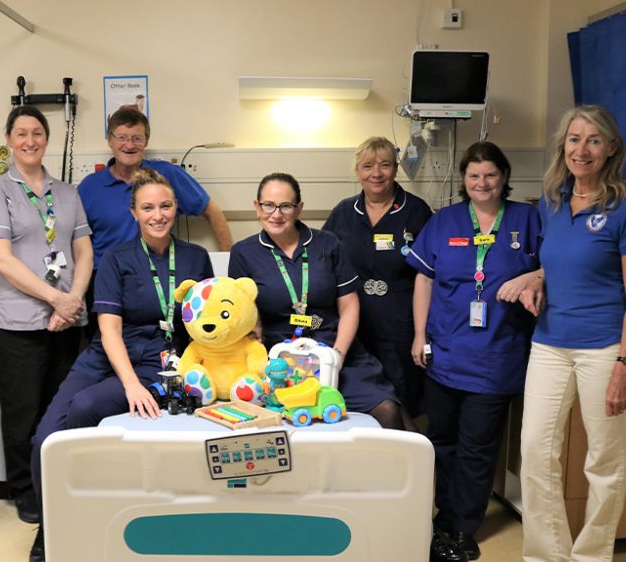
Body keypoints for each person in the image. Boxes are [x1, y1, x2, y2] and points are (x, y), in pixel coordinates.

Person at [27, 169, 214, 561]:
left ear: (176, 207)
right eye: (148, 208)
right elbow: (108, 329)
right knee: (45, 440)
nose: (157, 215)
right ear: (134, 213)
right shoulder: (116, 259)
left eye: (165, 206)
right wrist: (130, 385)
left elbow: (208, 325)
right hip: (106, 357)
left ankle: (88, 511)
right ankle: (52, 525)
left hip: (161, 363)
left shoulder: (197, 258)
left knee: (86, 408)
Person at [519, 105, 626, 562]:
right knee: (535, 454)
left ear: (611, 148)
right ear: (564, 146)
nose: (582, 149)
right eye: (574, 139)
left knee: (605, 463)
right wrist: (536, 279)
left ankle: (591, 557)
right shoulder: (552, 202)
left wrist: (625, 365)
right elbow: (562, 263)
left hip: (605, 349)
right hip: (550, 344)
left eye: (594, 140)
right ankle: (546, 555)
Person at [406, 142, 541, 562]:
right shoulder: (444, 221)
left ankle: (462, 527)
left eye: (490, 175)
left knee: (477, 447)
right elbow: (424, 281)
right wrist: (418, 335)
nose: (482, 183)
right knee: (442, 440)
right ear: (464, 181)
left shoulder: (527, 219)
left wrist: (532, 276)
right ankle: (441, 518)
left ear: (504, 177)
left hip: (498, 355)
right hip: (445, 350)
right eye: (474, 176)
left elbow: (558, 264)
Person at [0, 105, 92, 526]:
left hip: (66, 321)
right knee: (22, 411)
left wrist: (73, 299)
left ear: (47, 139)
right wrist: (55, 299)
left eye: (37, 133)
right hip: (19, 323)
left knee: (60, 407)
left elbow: (84, 250)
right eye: (21, 133)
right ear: (9, 140)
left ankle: (57, 483)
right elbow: (1, 260)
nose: (30, 141)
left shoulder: (67, 193)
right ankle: (24, 490)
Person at [228, 172, 404, 429]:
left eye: (286, 206)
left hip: (332, 346)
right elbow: (245, 316)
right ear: (257, 207)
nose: (276, 214)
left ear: (299, 208)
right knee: (287, 421)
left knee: (386, 408)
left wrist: (339, 355)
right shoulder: (244, 253)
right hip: (279, 357)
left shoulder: (327, 244)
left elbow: (350, 305)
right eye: (268, 205)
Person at [78, 107, 231, 335]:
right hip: (106, 284)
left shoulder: (166, 176)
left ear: (146, 141)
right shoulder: (90, 187)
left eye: (137, 138)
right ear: (109, 140)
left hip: (162, 275)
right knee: (108, 345)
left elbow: (212, 211)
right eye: (122, 137)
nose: (129, 145)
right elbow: (77, 243)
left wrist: (230, 268)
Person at [323, 136, 432, 417]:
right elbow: (324, 263)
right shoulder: (344, 212)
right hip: (354, 320)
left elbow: (432, 272)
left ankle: (409, 456)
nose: (377, 173)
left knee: (402, 396)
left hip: (401, 321)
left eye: (385, 165)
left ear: (395, 169)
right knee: (360, 396)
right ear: (358, 171)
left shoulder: (417, 211)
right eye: (368, 166)